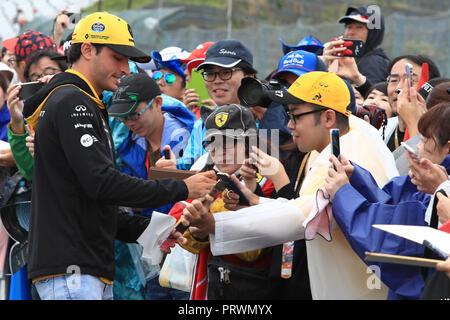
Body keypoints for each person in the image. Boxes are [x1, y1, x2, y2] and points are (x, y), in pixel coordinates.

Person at [25, 11, 216, 300]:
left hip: (84, 268)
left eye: (127, 60)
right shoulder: (72, 100)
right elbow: (102, 183)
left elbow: (92, 200)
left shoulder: (85, 101)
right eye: (118, 57)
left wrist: (153, 229)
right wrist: (183, 187)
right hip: (72, 269)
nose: (126, 68)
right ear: (87, 50)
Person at [179, 71, 399, 299]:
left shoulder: (343, 155)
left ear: (328, 118)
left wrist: (214, 224)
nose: (289, 125)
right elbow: (302, 207)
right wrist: (257, 201)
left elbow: (301, 217)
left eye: (295, 116)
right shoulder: (348, 135)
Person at [323, 102, 450, 299]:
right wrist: (356, 178)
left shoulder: (442, 194)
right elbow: (392, 203)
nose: (417, 146)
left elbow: (386, 236)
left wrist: (342, 193)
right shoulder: (435, 181)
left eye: (425, 141)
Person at [171, 104, 275, 300]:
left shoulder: (269, 181)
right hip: (211, 284)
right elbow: (179, 228)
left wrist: (210, 220)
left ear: (250, 143)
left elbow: (253, 251)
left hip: (254, 288)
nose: (220, 152)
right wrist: (199, 231)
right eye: (213, 144)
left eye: (229, 142)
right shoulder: (207, 177)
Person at [176, 39, 257, 170]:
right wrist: (171, 167)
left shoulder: (264, 119)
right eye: (210, 74)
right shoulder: (202, 124)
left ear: (249, 77)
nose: (217, 80)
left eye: (226, 72)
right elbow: (187, 166)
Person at [322, 5, 390, 93]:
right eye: (349, 27)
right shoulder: (348, 59)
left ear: (373, 33)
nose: (351, 32)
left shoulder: (374, 61)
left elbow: (375, 100)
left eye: (359, 27)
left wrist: (358, 79)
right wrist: (323, 66)